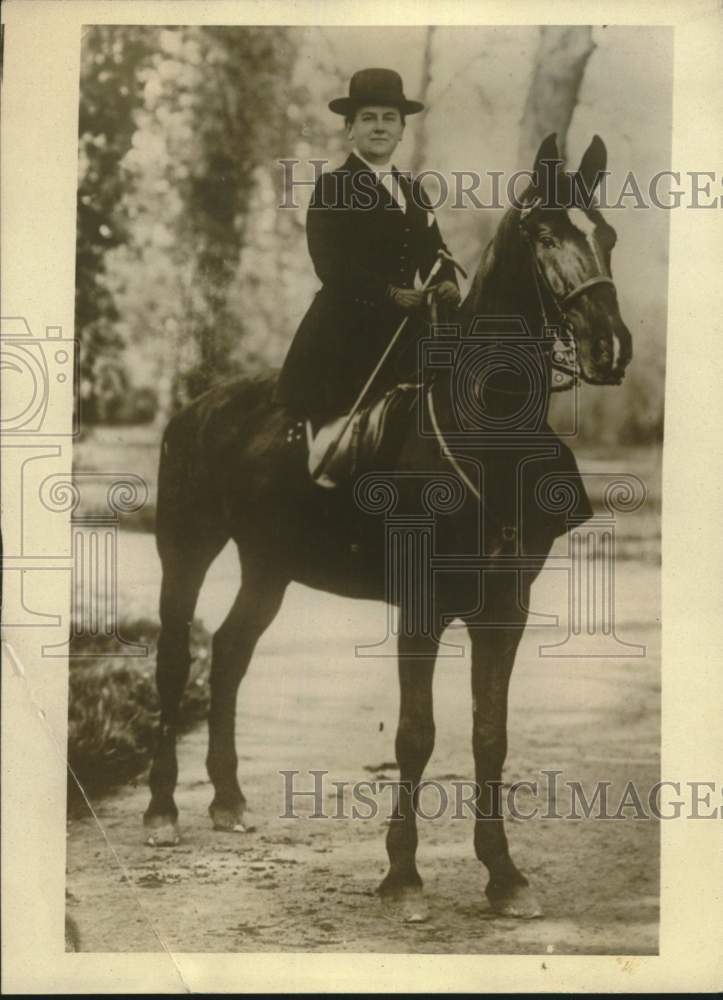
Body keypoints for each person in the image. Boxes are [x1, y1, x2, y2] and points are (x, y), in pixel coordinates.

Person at [276, 68, 461, 431]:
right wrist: (389, 292)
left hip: (407, 333)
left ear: (402, 130)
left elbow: (435, 252)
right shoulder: (333, 187)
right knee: (334, 433)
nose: (379, 127)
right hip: (345, 332)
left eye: (389, 118)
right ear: (350, 128)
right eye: (368, 118)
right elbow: (329, 264)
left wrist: (448, 281)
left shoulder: (414, 192)